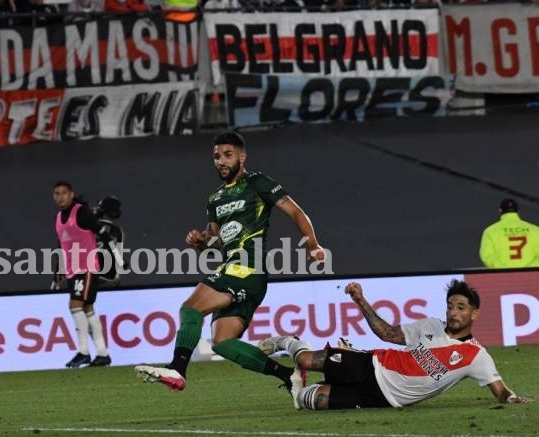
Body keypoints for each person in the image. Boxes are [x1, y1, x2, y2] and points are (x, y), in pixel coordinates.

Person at [135, 130, 326, 392]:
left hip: (247, 268)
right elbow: (215, 246)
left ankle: (178, 369)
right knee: (222, 341)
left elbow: (295, 211)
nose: (221, 161)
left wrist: (313, 245)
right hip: (237, 271)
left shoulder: (258, 182)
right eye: (216, 157)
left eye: (227, 155)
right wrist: (201, 243)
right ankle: (289, 375)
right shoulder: (215, 199)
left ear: (242, 156)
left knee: (190, 308)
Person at [258, 280, 533, 410]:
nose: (453, 312)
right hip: (372, 366)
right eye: (450, 306)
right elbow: (388, 334)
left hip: (384, 400)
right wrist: (361, 301)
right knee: (306, 360)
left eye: (460, 308)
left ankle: (308, 376)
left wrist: (512, 399)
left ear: (474, 314)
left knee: (307, 401)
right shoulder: (430, 326)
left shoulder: (476, 356)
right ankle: (288, 342)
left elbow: (500, 391)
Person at [52, 182, 112, 368]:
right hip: (72, 269)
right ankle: (102, 354)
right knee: (87, 309)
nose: (60, 196)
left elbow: (99, 231)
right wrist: (58, 271)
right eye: (56, 193)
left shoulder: (81, 212)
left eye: (63, 193)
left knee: (75, 305)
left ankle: (83, 352)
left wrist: (113, 257)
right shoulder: (58, 218)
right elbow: (61, 246)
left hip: (86, 267)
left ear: (71, 194)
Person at [479, 198, 539, 269]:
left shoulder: (490, 231)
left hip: (504, 277)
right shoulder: (535, 230)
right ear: (518, 211)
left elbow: (487, 257)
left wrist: (504, 270)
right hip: (531, 276)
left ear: (500, 211)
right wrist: (529, 269)